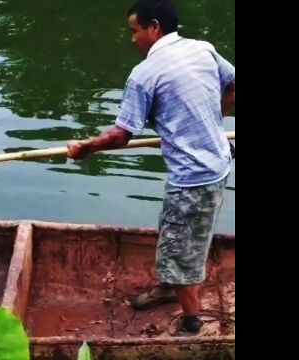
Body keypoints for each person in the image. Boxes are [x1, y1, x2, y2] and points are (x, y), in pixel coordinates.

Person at [66, 0, 235, 335]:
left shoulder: (144, 74)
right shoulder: (203, 49)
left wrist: (86, 148)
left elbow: (120, 136)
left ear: (153, 27)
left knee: (181, 247)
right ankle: (169, 285)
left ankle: (191, 322)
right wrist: (211, 120)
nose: (133, 39)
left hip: (192, 179)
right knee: (175, 232)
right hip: (219, 163)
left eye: (135, 30)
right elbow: (233, 87)